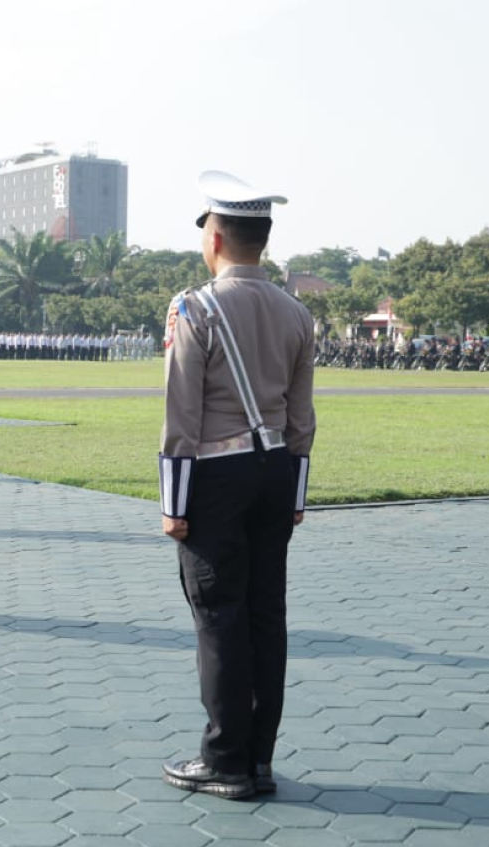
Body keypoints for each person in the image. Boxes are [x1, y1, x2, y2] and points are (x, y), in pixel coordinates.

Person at [159, 171, 316, 800]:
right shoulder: (296, 312)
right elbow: (302, 418)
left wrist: (174, 503)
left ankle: (223, 758)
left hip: (216, 474)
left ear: (215, 236)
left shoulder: (193, 307)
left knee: (219, 616)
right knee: (264, 614)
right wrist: (297, 495)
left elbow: (181, 414)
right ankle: (257, 757)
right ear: (264, 240)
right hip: (276, 471)